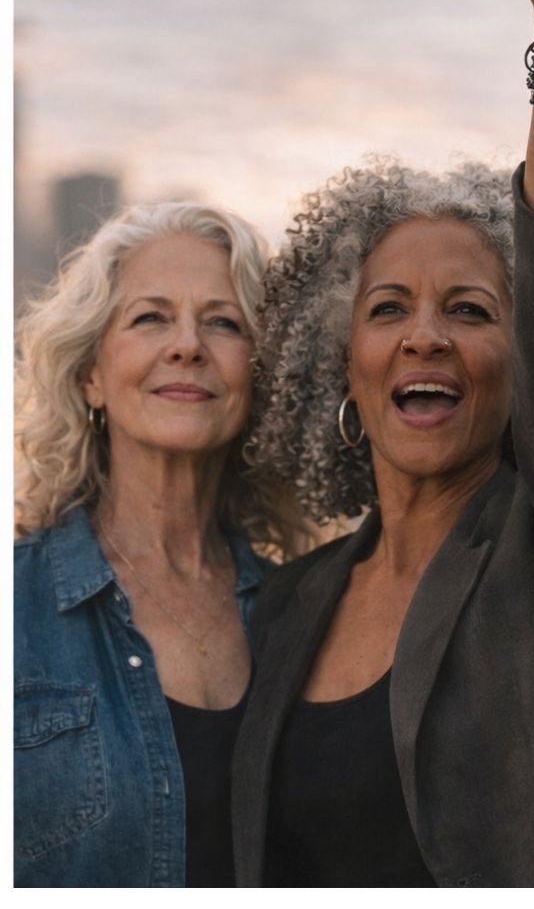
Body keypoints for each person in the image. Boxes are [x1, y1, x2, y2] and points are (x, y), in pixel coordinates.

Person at [231, 0, 534, 887]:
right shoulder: (290, 603)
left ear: (524, 366)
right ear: (338, 358)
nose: (423, 337)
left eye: (470, 311)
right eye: (388, 309)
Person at [14, 202, 298, 887]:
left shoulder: (306, 613)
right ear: (91, 375)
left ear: (258, 378)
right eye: (150, 317)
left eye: (224, 323)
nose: (187, 346)